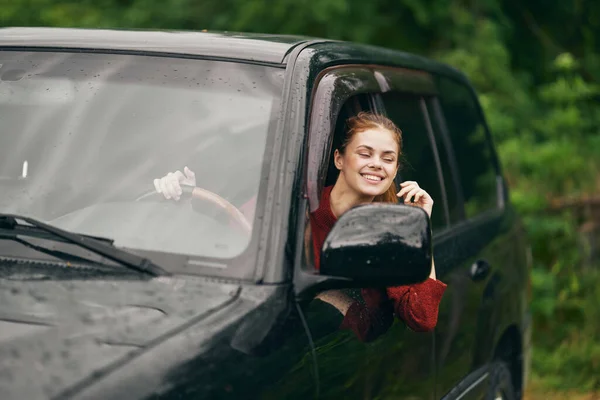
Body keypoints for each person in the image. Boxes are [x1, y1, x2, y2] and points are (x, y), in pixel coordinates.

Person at [308, 111, 447, 342]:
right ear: (338, 159)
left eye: (388, 159)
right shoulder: (300, 207)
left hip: (354, 354)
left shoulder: (390, 231)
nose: (376, 165)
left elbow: (423, 317)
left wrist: (420, 224)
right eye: (365, 154)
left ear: (394, 171)